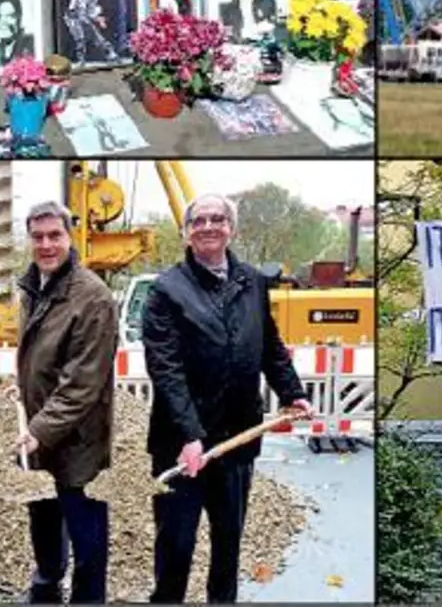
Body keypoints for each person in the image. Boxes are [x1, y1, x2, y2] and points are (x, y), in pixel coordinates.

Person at [142, 194, 315, 604]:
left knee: (228, 546)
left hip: (237, 440)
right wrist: (189, 436)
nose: (208, 226)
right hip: (181, 446)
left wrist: (293, 392)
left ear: (231, 229)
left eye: (217, 219)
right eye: (198, 220)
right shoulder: (167, 290)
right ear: (186, 231)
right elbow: (165, 369)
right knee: (176, 547)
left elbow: (269, 345)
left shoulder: (252, 281)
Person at [13, 202, 117, 604]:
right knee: (43, 516)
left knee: (86, 531)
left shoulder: (93, 297)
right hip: (38, 429)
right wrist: (20, 389)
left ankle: (88, 599)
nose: (46, 244)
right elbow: (41, 358)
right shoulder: (33, 287)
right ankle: (46, 587)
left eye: (54, 235)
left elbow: (82, 383)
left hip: (79, 439)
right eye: (37, 237)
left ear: (70, 237)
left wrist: (38, 431)